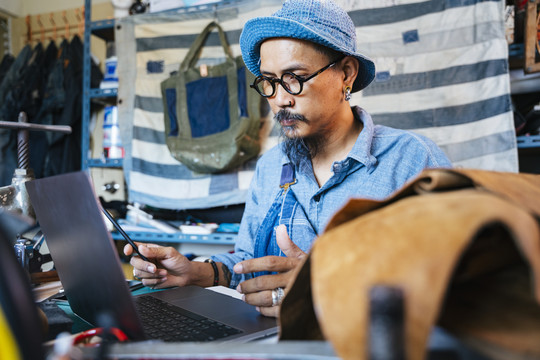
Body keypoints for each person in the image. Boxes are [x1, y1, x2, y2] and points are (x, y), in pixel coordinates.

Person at [125, 0, 452, 318]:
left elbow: (462, 283)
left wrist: (330, 290)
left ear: (346, 74)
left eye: (294, 78)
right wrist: (196, 272)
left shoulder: (412, 161)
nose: (279, 99)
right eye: (269, 82)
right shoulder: (271, 167)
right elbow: (249, 262)